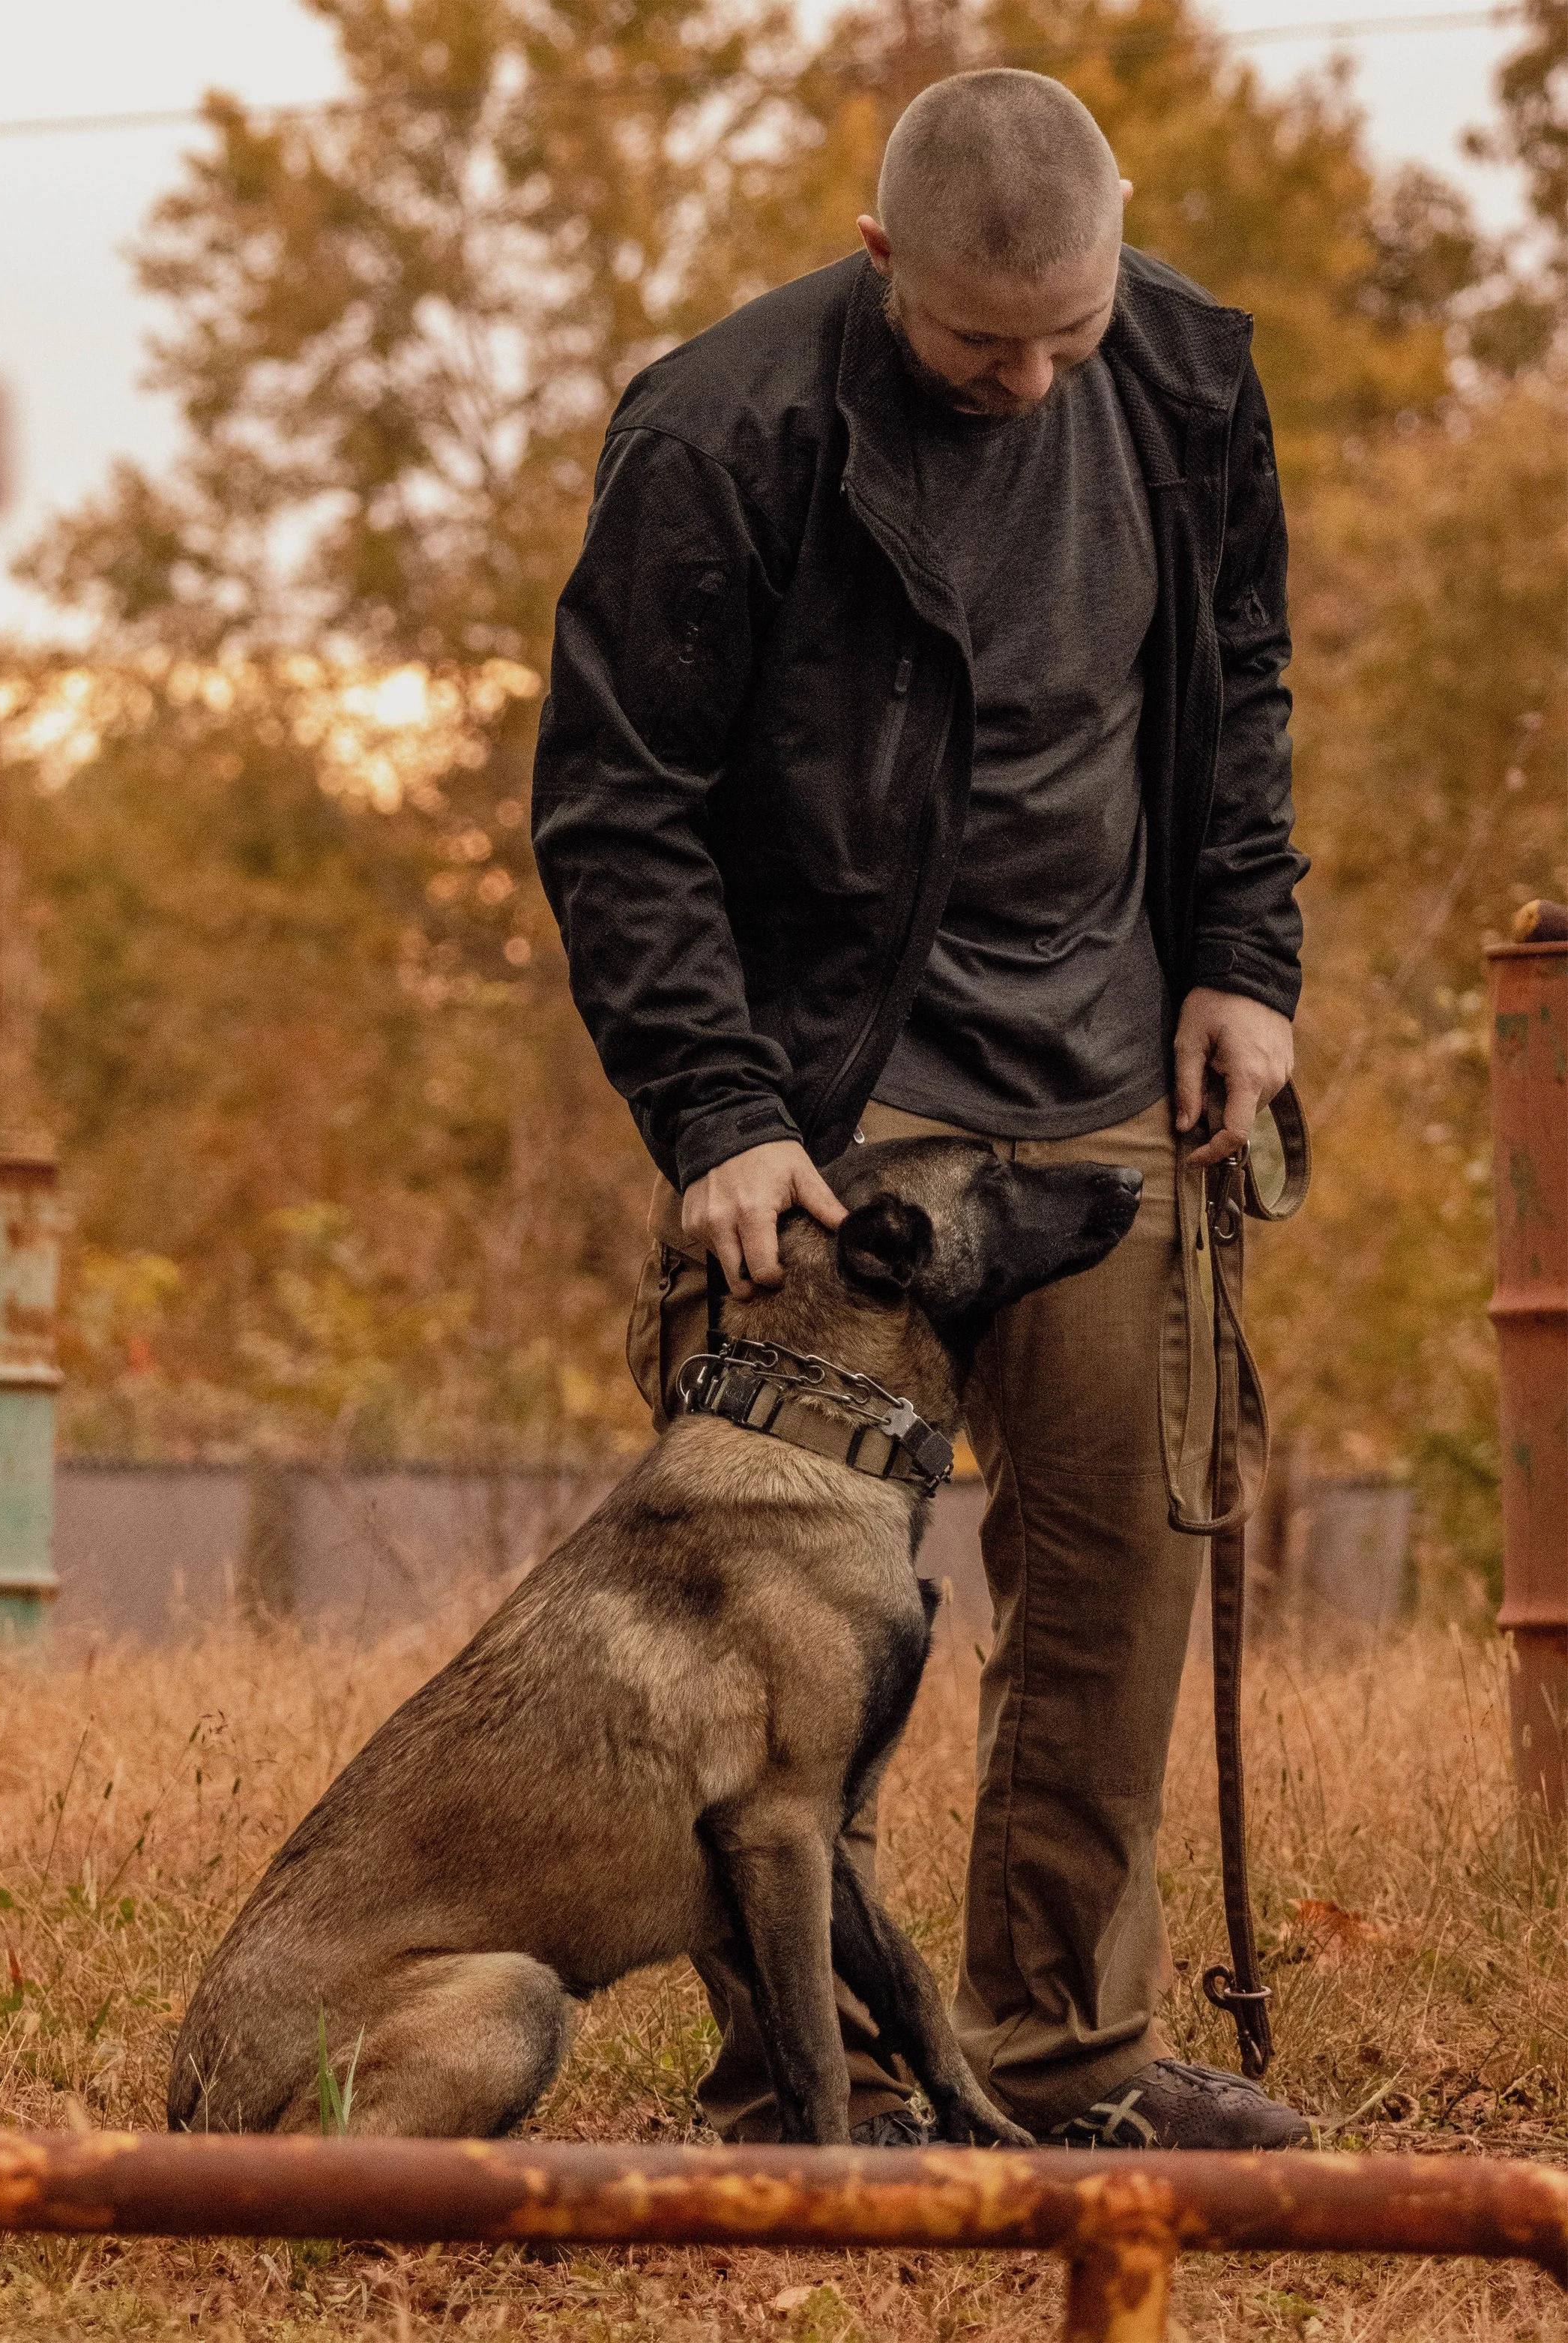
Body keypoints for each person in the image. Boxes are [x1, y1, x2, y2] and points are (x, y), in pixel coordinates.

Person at [531, 67, 1310, 2150]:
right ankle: (825, 2078)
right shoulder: (722, 430)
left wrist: (1247, 959)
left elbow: (1234, 680)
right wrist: (715, 1107)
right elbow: (618, 809)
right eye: (988, 347)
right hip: (830, 1107)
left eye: (1071, 327)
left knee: (1119, 1575)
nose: (1042, 379)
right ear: (882, 266)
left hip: (1109, 1088)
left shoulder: (1184, 371)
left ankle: (1056, 2064)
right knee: (788, 1620)